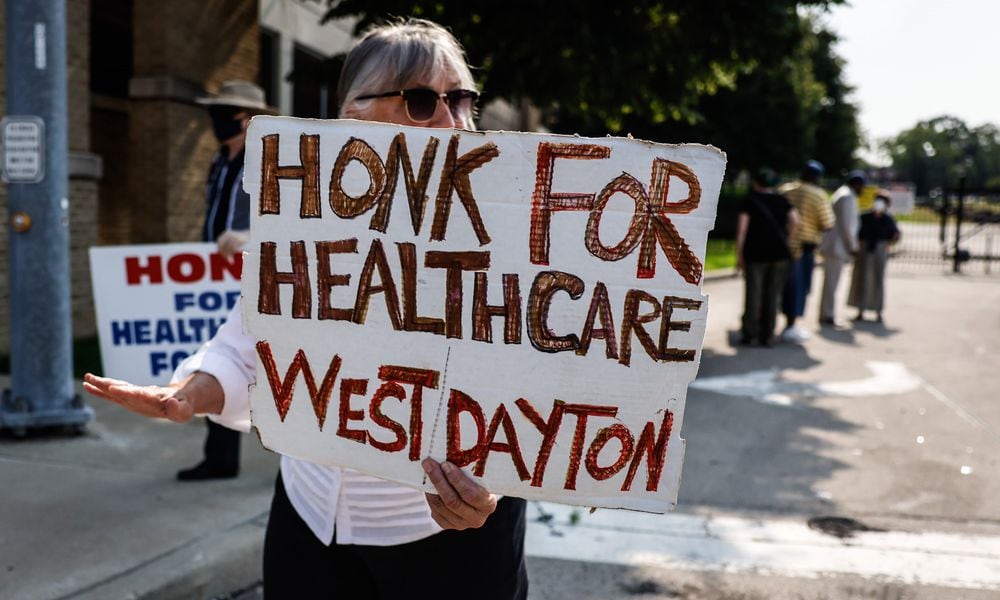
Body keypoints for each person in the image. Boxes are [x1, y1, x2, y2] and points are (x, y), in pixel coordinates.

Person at [84, 19, 528, 599]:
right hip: (308, 519)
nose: (451, 121)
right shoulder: (301, 218)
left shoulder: (514, 230)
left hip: (446, 533)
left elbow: (536, 387)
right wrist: (187, 395)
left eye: (462, 99)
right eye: (421, 101)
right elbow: (252, 338)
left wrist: (490, 481)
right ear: (354, 117)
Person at [175, 80, 275, 481]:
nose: (216, 122)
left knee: (267, 367)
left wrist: (250, 238)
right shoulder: (219, 162)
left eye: (225, 114)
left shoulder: (267, 163)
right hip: (214, 276)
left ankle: (292, 457)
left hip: (255, 273)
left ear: (246, 119)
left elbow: (286, 223)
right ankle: (219, 457)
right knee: (219, 357)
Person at [735, 169, 799, 346]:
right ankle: (768, 334)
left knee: (754, 294)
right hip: (779, 254)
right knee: (773, 295)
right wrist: (788, 238)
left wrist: (739, 255)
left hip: (755, 254)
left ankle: (750, 332)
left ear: (756, 183)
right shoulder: (782, 200)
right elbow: (795, 220)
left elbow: (742, 231)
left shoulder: (749, 201)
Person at [778, 160, 834, 343]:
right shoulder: (818, 195)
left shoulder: (785, 190)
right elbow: (827, 223)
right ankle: (791, 325)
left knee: (780, 286)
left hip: (783, 245)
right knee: (799, 288)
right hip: (804, 249)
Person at [819, 170, 864, 326]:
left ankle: (826, 313)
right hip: (837, 246)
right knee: (832, 283)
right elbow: (848, 226)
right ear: (856, 184)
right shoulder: (847, 197)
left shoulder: (844, 194)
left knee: (831, 282)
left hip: (836, 245)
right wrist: (853, 246)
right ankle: (828, 314)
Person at [848, 192, 900, 322]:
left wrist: (890, 243)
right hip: (865, 248)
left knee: (878, 279)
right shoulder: (865, 216)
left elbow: (895, 235)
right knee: (862, 278)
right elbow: (856, 232)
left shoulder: (888, 219)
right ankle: (860, 309)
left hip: (880, 249)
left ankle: (878, 310)